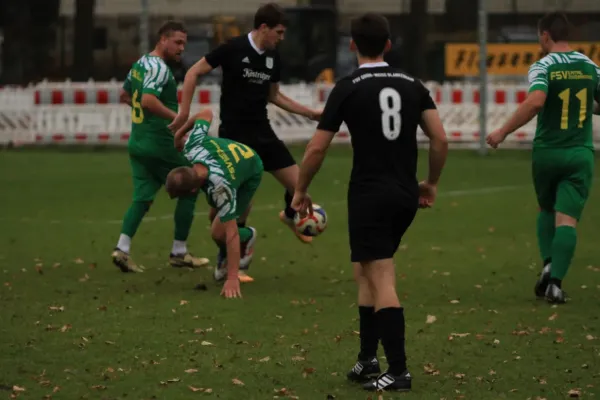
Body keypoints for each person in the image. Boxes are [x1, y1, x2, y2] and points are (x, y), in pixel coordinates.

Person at [292, 13, 448, 393]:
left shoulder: (347, 86)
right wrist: (430, 183)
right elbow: (440, 140)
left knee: (380, 275)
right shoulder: (413, 84)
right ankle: (368, 359)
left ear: (351, 45)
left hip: (369, 194)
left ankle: (398, 370)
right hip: (403, 193)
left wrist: (300, 190)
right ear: (389, 45)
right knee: (365, 271)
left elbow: (316, 148)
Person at [168, 3, 322, 247]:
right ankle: (227, 259)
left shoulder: (273, 57)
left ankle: (290, 216)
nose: (282, 38)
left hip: (262, 132)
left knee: (300, 185)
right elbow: (192, 73)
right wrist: (184, 111)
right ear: (263, 28)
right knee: (240, 207)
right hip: (234, 139)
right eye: (279, 32)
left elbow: (274, 96)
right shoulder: (233, 48)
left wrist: (310, 114)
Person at [487, 11, 600, 304]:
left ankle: (548, 263)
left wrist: (502, 131)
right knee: (568, 219)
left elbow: (536, 101)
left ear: (545, 35)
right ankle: (556, 284)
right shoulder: (590, 66)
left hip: (547, 152)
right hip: (579, 153)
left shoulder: (543, 66)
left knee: (546, 209)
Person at [112, 21, 209, 273]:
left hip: (138, 142)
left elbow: (125, 96)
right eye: (177, 42)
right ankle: (179, 252)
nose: (181, 48)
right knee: (191, 184)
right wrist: (176, 119)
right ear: (162, 40)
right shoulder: (159, 67)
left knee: (142, 198)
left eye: (184, 44)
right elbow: (147, 100)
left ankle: (122, 249)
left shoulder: (140, 64)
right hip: (159, 144)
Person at [166, 108, 263, 297]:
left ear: (194, 190)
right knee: (214, 216)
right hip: (232, 160)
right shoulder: (192, 146)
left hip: (250, 171)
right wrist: (179, 134)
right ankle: (226, 256)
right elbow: (206, 113)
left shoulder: (220, 188)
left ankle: (248, 237)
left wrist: (232, 279)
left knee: (220, 231)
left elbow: (231, 233)